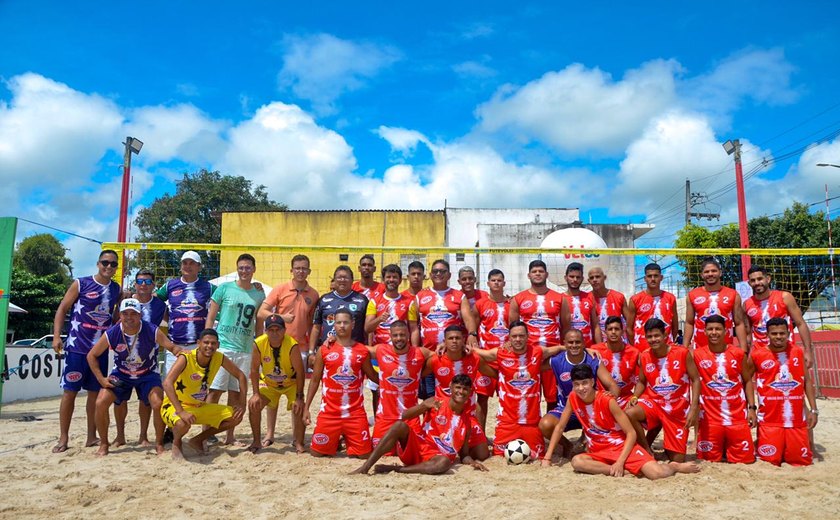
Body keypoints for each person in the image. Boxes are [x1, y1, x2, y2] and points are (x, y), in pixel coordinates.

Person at [542, 364, 700, 479]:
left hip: (620, 446)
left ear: (592, 382)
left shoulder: (607, 400)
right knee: (577, 462)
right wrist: (547, 458)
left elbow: (631, 433)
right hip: (599, 450)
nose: (581, 388)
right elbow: (560, 427)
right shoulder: (573, 398)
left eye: (584, 383)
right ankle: (619, 470)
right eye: (576, 384)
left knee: (656, 474)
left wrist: (620, 461)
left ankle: (673, 467)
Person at [87, 298, 182, 456]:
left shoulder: (152, 330)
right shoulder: (112, 332)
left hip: (147, 373)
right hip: (122, 374)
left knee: (157, 403)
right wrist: (101, 379)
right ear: (120, 315)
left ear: (140, 315)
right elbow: (92, 355)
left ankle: (158, 443)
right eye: (125, 313)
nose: (129, 317)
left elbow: (171, 347)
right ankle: (104, 444)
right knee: (101, 402)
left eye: (133, 313)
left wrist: (182, 353)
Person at [51, 249, 122, 453]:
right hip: (77, 348)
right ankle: (63, 438)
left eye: (113, 264)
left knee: (94, 395)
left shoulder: (116, 289)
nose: (108, 267)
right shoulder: (81, 283)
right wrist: (57, 336)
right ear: (98, 264)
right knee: (69, 393)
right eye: (105, 263)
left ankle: (91, 436)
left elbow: (115, 317)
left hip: (99, 351)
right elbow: (63, 308)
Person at [350, 374, 488, 475]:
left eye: (465, 389)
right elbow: (404, 416)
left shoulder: (467, 422)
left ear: (470, 392)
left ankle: (395, 469)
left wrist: (472, 462)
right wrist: (422, 406)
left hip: (437, 459)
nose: (461, 392)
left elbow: (463, 455)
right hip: (419, 447)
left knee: (445, 463)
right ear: (451, 388)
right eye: (458, 387)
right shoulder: (436, 402)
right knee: (399, 426)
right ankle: (365, 467)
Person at [473, 321, 565, 459]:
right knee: (499, 455)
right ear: (509, 338)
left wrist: (588, 350)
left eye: (521, 336)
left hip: (532, 423)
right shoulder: (500, 353)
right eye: (514, 336)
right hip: (507, 423)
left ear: (528, 337)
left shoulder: (538, 351)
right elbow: (478, 353)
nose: (518, 339)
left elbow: (560, 349)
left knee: (536, 455)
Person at [257, 254, 319, 446]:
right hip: (276, 345)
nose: (301, 271)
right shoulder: (281, 289)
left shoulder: (313, 294)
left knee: (296, 393)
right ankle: (269, 434)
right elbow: (261, 312)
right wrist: (281, 317)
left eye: (304, 268)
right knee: (273, 389)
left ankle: (296, 437)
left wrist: (311, 351)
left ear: (309, 271)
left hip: (299, 348)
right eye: (297, 268)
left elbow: (311, 324)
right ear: (291, 270)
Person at [205, 253, 266, 444]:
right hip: (224, 348)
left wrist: (258, 345)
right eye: (241, 267)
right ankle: (207, 433)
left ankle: (230, 436)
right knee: (214, 392)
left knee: (236, 394)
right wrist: (207, 340)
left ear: (254, 269)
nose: (244, 271)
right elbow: (211, 316)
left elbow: (258, 324)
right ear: (237, 269)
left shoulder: (259, 293)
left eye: (248, 267)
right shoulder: (224, 289)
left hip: (245, 349)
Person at [160, 329, 247, 460]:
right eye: (206, 342)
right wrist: (181, 411)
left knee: (236, 417)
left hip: (198, 406)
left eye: (213, 343)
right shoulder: (186, 357)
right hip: (174, 406)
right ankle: (176, 443)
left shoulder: (219, 357)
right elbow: (167, 383)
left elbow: (241, 376)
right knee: (182, 423)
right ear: (198, 343)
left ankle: (197, 440)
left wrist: (242, 403)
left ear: (218, 345)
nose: (209, 346)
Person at [304, 309, 379, 457]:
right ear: (334, 325)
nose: (342, 326)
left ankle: (345, 437)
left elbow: (373, 377)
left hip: (355, 414)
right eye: (338, 322)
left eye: (345, 322)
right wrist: (307, 408)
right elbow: (314, 380)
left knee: (364, 455)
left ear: (353, 324)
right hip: (330, 413)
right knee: (317, 453)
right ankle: (337, 438)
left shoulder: (362, 351)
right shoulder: (324, 349)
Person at [625, 318, 700, 462]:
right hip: (655, 404)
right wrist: (634, 397)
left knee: (677, 459)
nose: (653, 339)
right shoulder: (645, 356)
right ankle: (647, 450)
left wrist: (694, 408)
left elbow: (696, 380)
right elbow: (641, 381)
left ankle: (667, 442)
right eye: (649, 336)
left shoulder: (682, 353)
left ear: (665, 335)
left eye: (656, 335)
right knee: (630, 412)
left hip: (677, 409)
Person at [538, 329, 619, 458]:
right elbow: (534, 361)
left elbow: (612, 385)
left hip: (590, 410)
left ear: (584, 343)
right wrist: (558, 348)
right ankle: (568, 445)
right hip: (565, 409)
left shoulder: (593, 359)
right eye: (570, 342)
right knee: (544, 425)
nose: (574, 345)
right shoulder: (557, 361)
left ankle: (585, 438)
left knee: (593, 453)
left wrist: (608, 403)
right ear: (564, 343)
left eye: (577, 342)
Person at [751, 317, 818, 466]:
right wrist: (751, 408)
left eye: (782, 333)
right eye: (774, 333)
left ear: (788, 333)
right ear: (767, 335)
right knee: (771, 461)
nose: (778, 337)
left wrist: (813, 409)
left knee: (800, 461)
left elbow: (807, 381)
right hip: (770, 420)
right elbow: (747, 381)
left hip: (795, 420)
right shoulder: (757, 355)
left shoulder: (797, 352)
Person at [114, 269, 167, 448]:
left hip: (147, 362)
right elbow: (115, 323)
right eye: (140, 281)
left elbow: (171, 321)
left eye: (147, 281)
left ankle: (143, 436)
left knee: (146, 401)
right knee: (119, 400)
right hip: (123, 361)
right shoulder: (126, 301)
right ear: (135, 283)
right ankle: (120, 436)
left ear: (153, 285)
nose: (143, 284)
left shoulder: (160, 305)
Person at [693, 315, 757, 464]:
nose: (714, 332)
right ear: (704, 331)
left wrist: (752, 408)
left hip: (737, 418)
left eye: (718, 329)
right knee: (708, 460)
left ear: (726, 331)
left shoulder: (739, 354)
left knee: (746, 461)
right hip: (710, 420)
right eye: (710, 329)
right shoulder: (696, 355)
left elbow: (747, 381)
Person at [509, 259, 569, 411]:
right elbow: (514, 327)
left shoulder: (560, 298)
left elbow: (565, 327)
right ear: (528, 275)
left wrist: (562, 349)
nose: (537, 274)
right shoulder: (518, 298)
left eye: (541, 271)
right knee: (529, 393)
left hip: (553, 353)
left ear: (546, 274)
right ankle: (531, 428)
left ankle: (549, 428)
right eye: (534, 271)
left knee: (552, 395)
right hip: (529, 354)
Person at [414, 259, 479, 398]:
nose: (439, 274)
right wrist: (415, 349)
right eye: (435, 271)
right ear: (430, 275)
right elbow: (413, 325)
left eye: (442, 271)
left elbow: (468, 318)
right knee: (431, 397)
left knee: (455, 394)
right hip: (430, 354)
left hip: (453, 354)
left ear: (449, 275)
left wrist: (472, 334)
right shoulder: (420, 296)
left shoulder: (458, 295)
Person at [367, 320, 432, 452]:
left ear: (408, 335)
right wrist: (334, 340)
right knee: (382, 453)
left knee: (416, 452)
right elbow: (354, 348)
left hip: (410, 417)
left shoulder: (420, 353)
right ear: (390, 336)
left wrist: (443, 346)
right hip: (385, 417)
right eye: (395, 335)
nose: (399, 338)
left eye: (402, 335)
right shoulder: (381, 350)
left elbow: (440, 356)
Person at [365, 264, 421, 415]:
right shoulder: (374, 301)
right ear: (383, 279)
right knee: (377, 391)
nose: (391, 280)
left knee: (403, 388)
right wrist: (379, 319)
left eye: (394, 277)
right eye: (388, 277)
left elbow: (414, 328)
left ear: (400, 280)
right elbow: (367, 328)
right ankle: (379, 424)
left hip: (402, 354)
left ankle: (403, 422)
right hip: (380, 354)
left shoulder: (408, 301)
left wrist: (414, 350)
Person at [429, 326, 490, 461]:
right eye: (451, 338)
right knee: (439, 452)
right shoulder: (435, 359)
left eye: (458, 338)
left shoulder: (474, 358)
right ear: (444, 341)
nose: (454, 341)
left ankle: (462, 444)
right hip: (442, 415)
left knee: (482, 455)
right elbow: (417, 372)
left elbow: (494, 373)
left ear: (463, 340)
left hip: (467, 415)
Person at [246, 314, 306, 453]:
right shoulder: (259, 343)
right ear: (266, 331)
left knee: (299, 407)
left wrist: (299, 396)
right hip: (269, 383)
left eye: (278, 329)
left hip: (291, 382)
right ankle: (256, 441)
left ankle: (298, 442)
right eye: (271, 330)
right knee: (253, 404)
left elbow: (300, 372)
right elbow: (254, 370)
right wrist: (255, 393)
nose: (274, 333)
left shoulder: (292, 344)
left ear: (284, 330)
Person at [156, 250, 215, 372]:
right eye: (185, 263)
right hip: (175, 345)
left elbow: (226, 295)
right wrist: (133, 296)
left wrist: (252, 286)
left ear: (199, 266)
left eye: (192, 263)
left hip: (198, 345)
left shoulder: (208, 287)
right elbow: (154, 299)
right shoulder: (170, 285)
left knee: (197, 386)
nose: (188, 266)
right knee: (170, 385)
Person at [745, 265, 813, 366]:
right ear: (749, 283)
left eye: (760, 279)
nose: (757, 283)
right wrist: (747, 355)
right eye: (753, 280)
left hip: (786, 353)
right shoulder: (747, 304)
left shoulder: (784, 297)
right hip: (761, 356)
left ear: (768, 279)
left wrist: (808, 351)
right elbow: (748, 333)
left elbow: (800, 323)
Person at [308, 265, 369, 365]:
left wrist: (367, 349)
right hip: (329, 350)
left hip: (354, 352)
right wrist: (311, 352)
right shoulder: (324, 300)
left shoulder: (362, 300)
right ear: (334, 280)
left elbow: (368, 330)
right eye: (339, 277)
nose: (342, 280)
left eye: (345, 277)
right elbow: (316, 327)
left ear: (352, 280)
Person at [473, 268, 510, 430]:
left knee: (507, 398)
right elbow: (473, 328)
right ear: (488, 283)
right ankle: (480, 435)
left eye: (499, 280)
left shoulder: (511, 304)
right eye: (493, 280)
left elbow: (516, 328)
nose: (496, 283)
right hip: (485, 360)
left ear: (504, 283)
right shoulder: (480, 304)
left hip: (506, 360)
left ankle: (507, 431)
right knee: (482, 398)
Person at [683, 257, 747, 350]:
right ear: (701, 275)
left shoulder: (733, 294)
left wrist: (744, 349)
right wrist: (685, 348)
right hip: (700, 351)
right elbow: (689, 323)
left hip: (726, 350)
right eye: (706, 272)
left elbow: (739, 323)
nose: (710, 274)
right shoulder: (692, 295)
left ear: (720, 273)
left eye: (714, 271)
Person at [626, 263, 679, 351]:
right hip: (642, 349)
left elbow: (675, 326)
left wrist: (669, 341)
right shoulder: (635, 299)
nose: (653, 279)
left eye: (656, 276)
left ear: (661, 277)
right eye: (650, 276)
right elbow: (629, 328)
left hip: (665, 349)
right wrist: (636, 348)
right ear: (645, 279)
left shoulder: (670, 298)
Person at [591, 316, 640, 408]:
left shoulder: (634, 352)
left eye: (617, 329)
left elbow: (642, 379)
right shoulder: (594, 350)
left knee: (636, 411)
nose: (613, 332)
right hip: (603, 397)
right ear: (605, 332)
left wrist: (635, 396)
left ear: (622, 331)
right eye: (610, 329)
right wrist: (586, 350)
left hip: (626, 398)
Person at [560, 262, 597, 347]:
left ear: (582, 278)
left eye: (578, 277)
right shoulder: (560, 298)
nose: (575, 280)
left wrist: (599, 346)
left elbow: (595, 326)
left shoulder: (589, 297)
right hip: (568, 349)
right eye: (572, 277)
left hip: (587, 347)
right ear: (566, 278)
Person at [588, 267, 627, 343]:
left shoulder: (619, 297)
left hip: (617, 344)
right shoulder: (586, 299)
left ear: (604, 278)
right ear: (589, 281)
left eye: (598, 276)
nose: (594, 280)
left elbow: (630, 323)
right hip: (596, 346)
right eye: (592, 278)